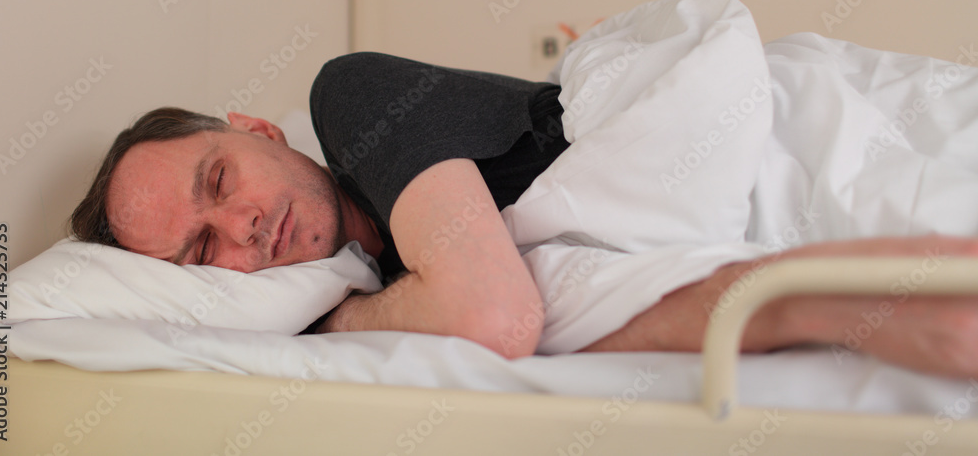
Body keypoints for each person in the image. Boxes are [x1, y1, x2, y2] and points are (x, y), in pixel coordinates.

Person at [69, 52, 978, 378]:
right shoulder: (368, 271)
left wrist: (340, 321)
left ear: (259, 131)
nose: (241, 226)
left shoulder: (350, 99)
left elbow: (493, 315)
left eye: (220, 179)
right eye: (201, 250)